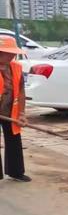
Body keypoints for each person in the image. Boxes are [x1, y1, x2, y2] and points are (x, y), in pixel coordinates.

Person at [0, 36, 30, 182]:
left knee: (14, 139)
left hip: (10, 111)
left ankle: (15, 171)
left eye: (13, 52)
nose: (12, 55)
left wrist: (22, 113)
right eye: (8, 52)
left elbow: (21, 92)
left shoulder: (16, 67)